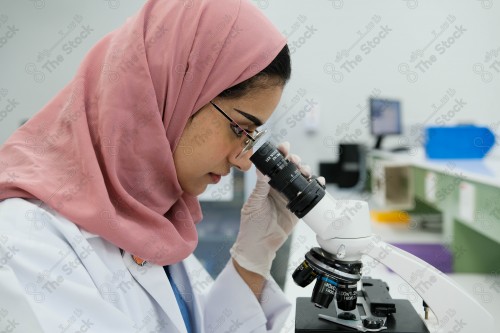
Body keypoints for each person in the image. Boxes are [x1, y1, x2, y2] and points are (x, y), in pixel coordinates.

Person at [0, 0, 322, 332]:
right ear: (171, 93)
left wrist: (254, 255)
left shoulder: (155, 218)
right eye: (240, 129)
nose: (243, 161)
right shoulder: (24, 245)